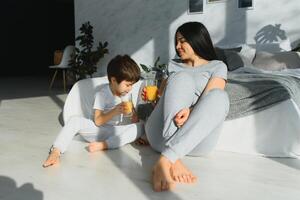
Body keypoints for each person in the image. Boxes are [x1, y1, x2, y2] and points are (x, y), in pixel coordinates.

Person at [143, 22, 230, 191]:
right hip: (161, 135)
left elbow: (209, 101)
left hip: (196, 141)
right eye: (176, 42)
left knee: (221, 96)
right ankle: (171, 157)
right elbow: (161, 102)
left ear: (196, 39)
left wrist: (190, 111)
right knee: (182, 78)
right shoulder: (173, 65)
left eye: (182, 41)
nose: (177, 46)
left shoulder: (218, 66)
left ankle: (167, 158)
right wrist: (152, 98)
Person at [43, 55, 144, 168]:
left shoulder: (126, 94)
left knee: (139, 126)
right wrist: (115, 111)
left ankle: (104, 145)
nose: (130, 89)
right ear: (114, 80)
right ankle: (56, 151)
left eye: (132, 85)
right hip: (98, 130)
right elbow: (98, 121)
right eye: (128, 85)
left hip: (114, 132)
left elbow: (133, 119)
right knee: (74, 120)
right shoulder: (103, 94)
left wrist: (134, 124)